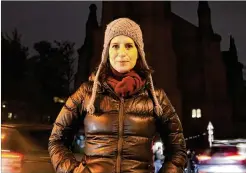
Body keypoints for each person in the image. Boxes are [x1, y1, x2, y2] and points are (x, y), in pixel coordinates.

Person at [48, 18, 187, 173]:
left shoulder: (156, 98)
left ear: (139, 52)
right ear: (107, 52)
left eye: (129, 46)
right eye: (115, 46)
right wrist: (74, 171)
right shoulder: (87, 92)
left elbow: (177, 150)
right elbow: (56, 140)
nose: (122, 53)